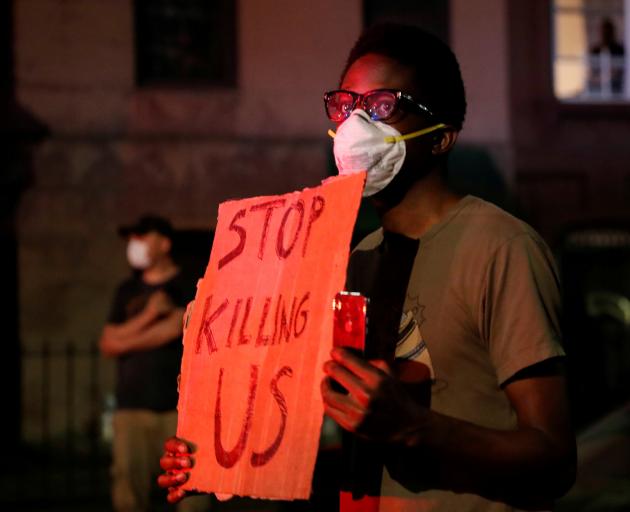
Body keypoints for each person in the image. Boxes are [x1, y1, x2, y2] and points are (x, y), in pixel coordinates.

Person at [159, 23, 576, 511]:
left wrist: (415, 426)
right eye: (345, 105)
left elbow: (555, 460)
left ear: (441, 138)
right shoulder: (350, 260)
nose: (355, 126)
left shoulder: (501, 247)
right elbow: (347, 440)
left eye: (381, 107)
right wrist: (216, 460)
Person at [100, 214, 209, 512]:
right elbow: (107, 342)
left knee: (192, 493)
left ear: (164, 244)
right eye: (132, 238)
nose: (134, 245)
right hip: (131, 407)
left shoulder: (188, 285)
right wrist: (149, 316)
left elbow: (176, 327)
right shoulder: (127, 291)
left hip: (179, 410)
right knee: (128, 494)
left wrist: (126, 337)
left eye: (142, 236)